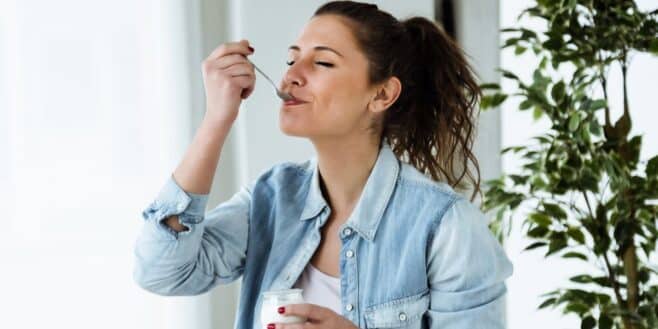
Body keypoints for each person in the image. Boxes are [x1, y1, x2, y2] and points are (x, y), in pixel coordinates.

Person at [133, 1, 513, 328]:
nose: (291, 76)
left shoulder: (446, 226)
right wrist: (216, 119)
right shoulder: (271, 200)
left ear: (382, 94)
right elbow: (163, 271)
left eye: (323, 62)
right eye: (291, 58)